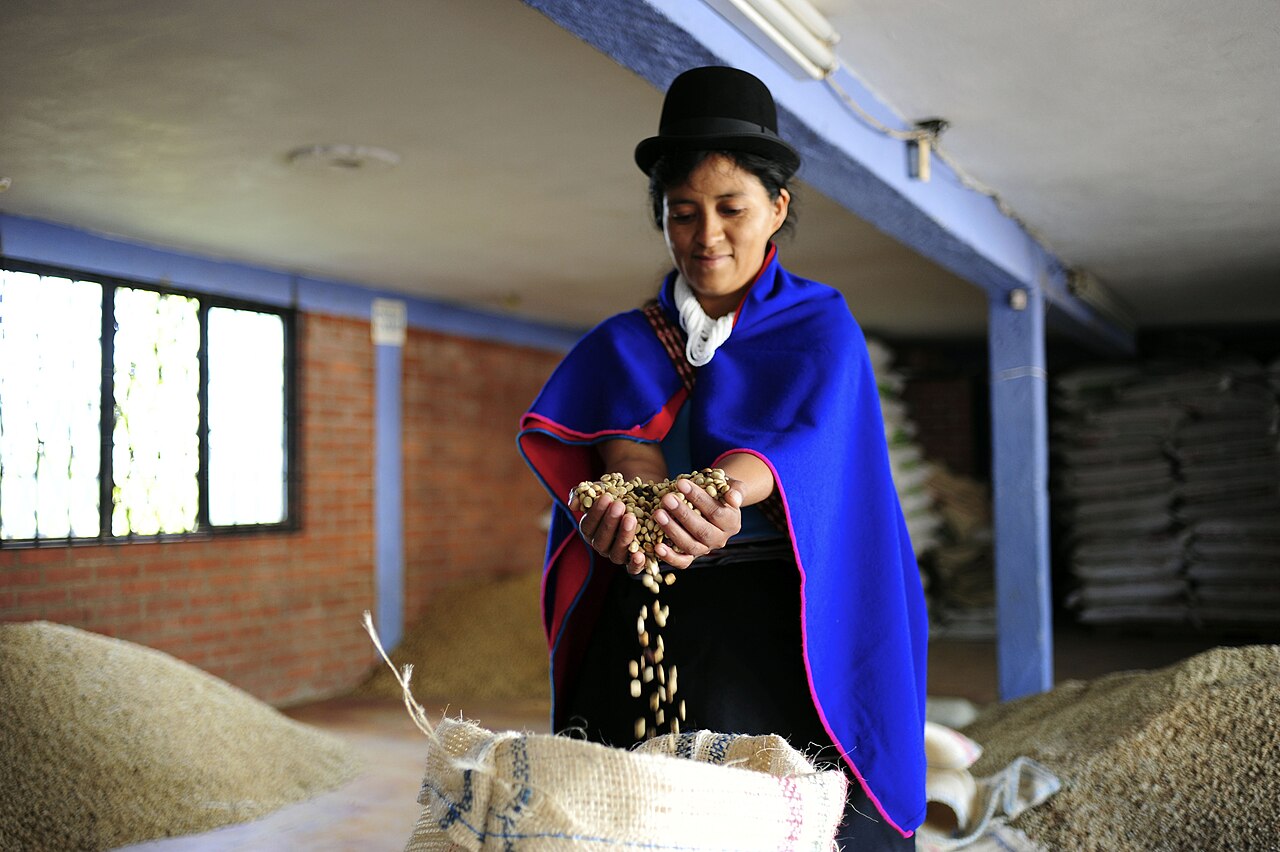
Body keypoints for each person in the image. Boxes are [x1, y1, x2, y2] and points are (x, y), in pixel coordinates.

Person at [518, 66, 927, 849]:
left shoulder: (820, 326)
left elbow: (799, 447)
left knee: (785, 814)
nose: (708, 237)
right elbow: (626, 452)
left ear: (776, 208)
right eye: (683, 214)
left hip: (778, 625)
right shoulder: (626, 342)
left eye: (732, 208)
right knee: (636, 814)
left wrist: (715, 494)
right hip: (653, 617)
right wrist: (625, 515)